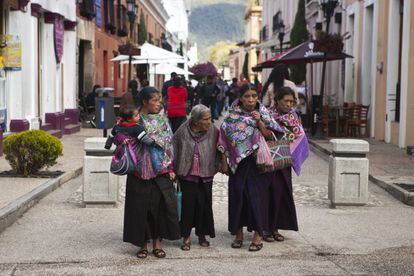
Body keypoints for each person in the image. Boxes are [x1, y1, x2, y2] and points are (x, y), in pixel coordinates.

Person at [218, 84, 286, 252]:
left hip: (258, 164)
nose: (250, 99)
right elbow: (223, 139)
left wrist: (259, 122)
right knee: (237, 196)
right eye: (247, 96)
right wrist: (224, 160)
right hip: (238, 165)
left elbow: (274, 136)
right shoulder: (232, 115)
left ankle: (258, 234)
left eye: (254, 96)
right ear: (240, 98)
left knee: (258, 197)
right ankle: (238, 234)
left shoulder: (264, 113)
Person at [120, 86, 180, 259]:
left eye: (159, 99)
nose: (159, 103)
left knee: (160, 208)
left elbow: (169, 143)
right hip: (138, 171)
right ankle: (142, 244)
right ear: (145, 101)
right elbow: (120, 136)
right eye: (155, 99)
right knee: (141, 208)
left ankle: (157, 243)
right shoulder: (133, 120)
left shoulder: (162, 121)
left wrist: (170, 168)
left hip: (160, 170)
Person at [264, 86, 309, 242]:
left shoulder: (293, 116)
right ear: (277, 101)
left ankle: (276, 227)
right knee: (269, 194)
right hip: (270, 161)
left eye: (292, 101)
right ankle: (266, 228)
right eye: (286, 101)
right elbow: (263, 135)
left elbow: (299, 135)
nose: (289, 104)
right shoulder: (268, 115)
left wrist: (289, 144)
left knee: (282, 194)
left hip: (285, 162)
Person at [172, 104, 220, 251]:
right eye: (206, 119)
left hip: (206, 173)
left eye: (210, 118)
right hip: (187, 174)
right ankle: (186, 237)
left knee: (204, 205)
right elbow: (173, 145)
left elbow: (221, 145)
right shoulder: (183, 129)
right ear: (196, 121)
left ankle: (202, 235)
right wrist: (173, 168)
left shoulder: (213, 130)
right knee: (188, 206)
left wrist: (221, 162)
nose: (209, 122)